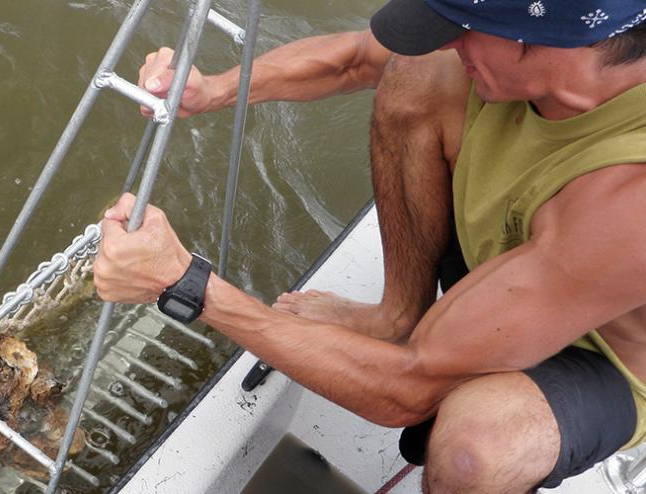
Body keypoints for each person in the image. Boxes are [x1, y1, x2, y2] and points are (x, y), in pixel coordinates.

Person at [93, 0, 646, 492]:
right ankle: (396, 314)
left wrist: (187, 284)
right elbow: (357, 56)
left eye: (463, 27)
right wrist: (213, 88)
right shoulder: (517, 48)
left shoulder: (629, 200)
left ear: (550, 40)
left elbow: (407, 386)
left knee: (477, 450)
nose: (448, 39)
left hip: (598, 356)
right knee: (417, 69)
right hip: (513, 259)